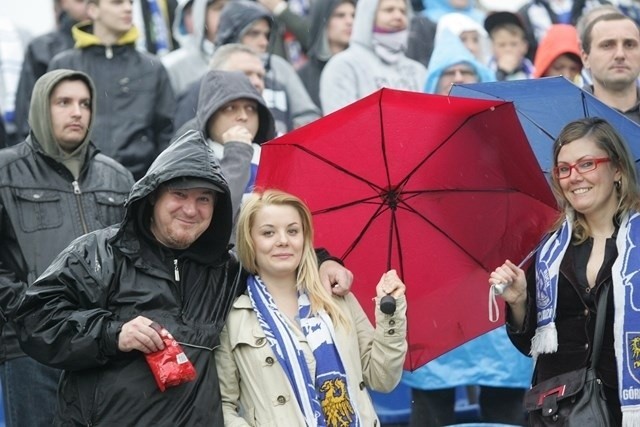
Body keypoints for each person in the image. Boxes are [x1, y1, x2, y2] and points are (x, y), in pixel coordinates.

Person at [14, 130, 353, 425]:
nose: (191, 210)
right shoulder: (101, 253)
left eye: (203, 199)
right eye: (179, 195)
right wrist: (111, 333)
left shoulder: (226, 270)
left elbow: (277, 260)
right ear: (153, 198)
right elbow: (34, 319)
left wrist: (323, 261)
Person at [0, 69, 134, 427]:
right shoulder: (5, 171)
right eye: (64, 102)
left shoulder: (117, 177)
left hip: (105, 345)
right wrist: (25, 313)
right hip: (30, 350)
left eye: (85, 103)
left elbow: (136, 255)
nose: (77, 112)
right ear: (41, 108)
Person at [410, 29, 531, 427]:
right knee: (432, 407)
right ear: (432, 81)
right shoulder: (410, 141)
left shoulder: (504, 137)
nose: (458, 77)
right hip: (436, 295)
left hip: (492, 287)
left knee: (507, 408)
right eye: (450, 71)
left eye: (467, 69)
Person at [489, 117, 640, 425]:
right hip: (557, 413)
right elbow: (534, 346)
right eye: (564, 169)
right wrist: (518, 303)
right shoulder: (549, 251)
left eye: (587, 164)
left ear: (618, 170)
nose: (574, 177)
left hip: (624, 411)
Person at [215, 189, 408, 425]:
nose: (283, 240)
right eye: (268, 232)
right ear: (250, 241)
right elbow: (223, 405)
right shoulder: (233, 318)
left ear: (304, 238)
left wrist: (391, 314)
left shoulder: (336, 297)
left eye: (293, 231)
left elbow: (382, 378)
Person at [48, 0, 176, 179]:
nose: (128, 8)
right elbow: (44, 128)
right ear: (93, 10)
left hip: (139, 185)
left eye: (131, 3)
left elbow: (167, 133)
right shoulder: (64, 65)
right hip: (75, 183)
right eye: (117, 2)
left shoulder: (152, 68)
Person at [215, 0, 321, 131]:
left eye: (267, 35)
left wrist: (285, 140)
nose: (264, 42)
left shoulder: (280, 67)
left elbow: (308, 116)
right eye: (254, 33)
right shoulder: (213, 72)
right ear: (231, 34)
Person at [319, 0, 427, 114]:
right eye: (389, 10)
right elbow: (341, 125)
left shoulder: (418, 70)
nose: (398, 16)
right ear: (368, 15)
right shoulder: (342, 66)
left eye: (403, 11)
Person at [13, 0, 88, 145]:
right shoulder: (41, 48)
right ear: (62, 3)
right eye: (80, 0)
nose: (87, 5)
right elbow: (26, 112)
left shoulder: (115, 51)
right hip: (54, 152)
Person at [173, 43, 268, 130]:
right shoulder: (191, 128)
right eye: (246, 74)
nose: (257, 82)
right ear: (218, 78)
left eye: (260, 76)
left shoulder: (267, 124)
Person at [580, 12, 640, 124]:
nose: (620, 55)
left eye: (629, 45)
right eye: (607, 45)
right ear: (585, 58)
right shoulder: (564, 119)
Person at [297, 0, 356, 111]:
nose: (350, 21)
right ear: (322, 20)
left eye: (353, 15)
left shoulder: (364, 68)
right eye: (340, 15)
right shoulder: (302, 76)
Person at [162, 0, 228, 97]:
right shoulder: (172, 66)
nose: (228, 14)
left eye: (233, 7)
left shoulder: (252, 57)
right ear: (200, 13)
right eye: (219, 8)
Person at [484, 11, 534, 81]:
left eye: (514, 44)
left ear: (524, 47)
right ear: (492, 47)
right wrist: (501, 73)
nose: (508, 49)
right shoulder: (484, 70)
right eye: (501, 45)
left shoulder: (532, 71)